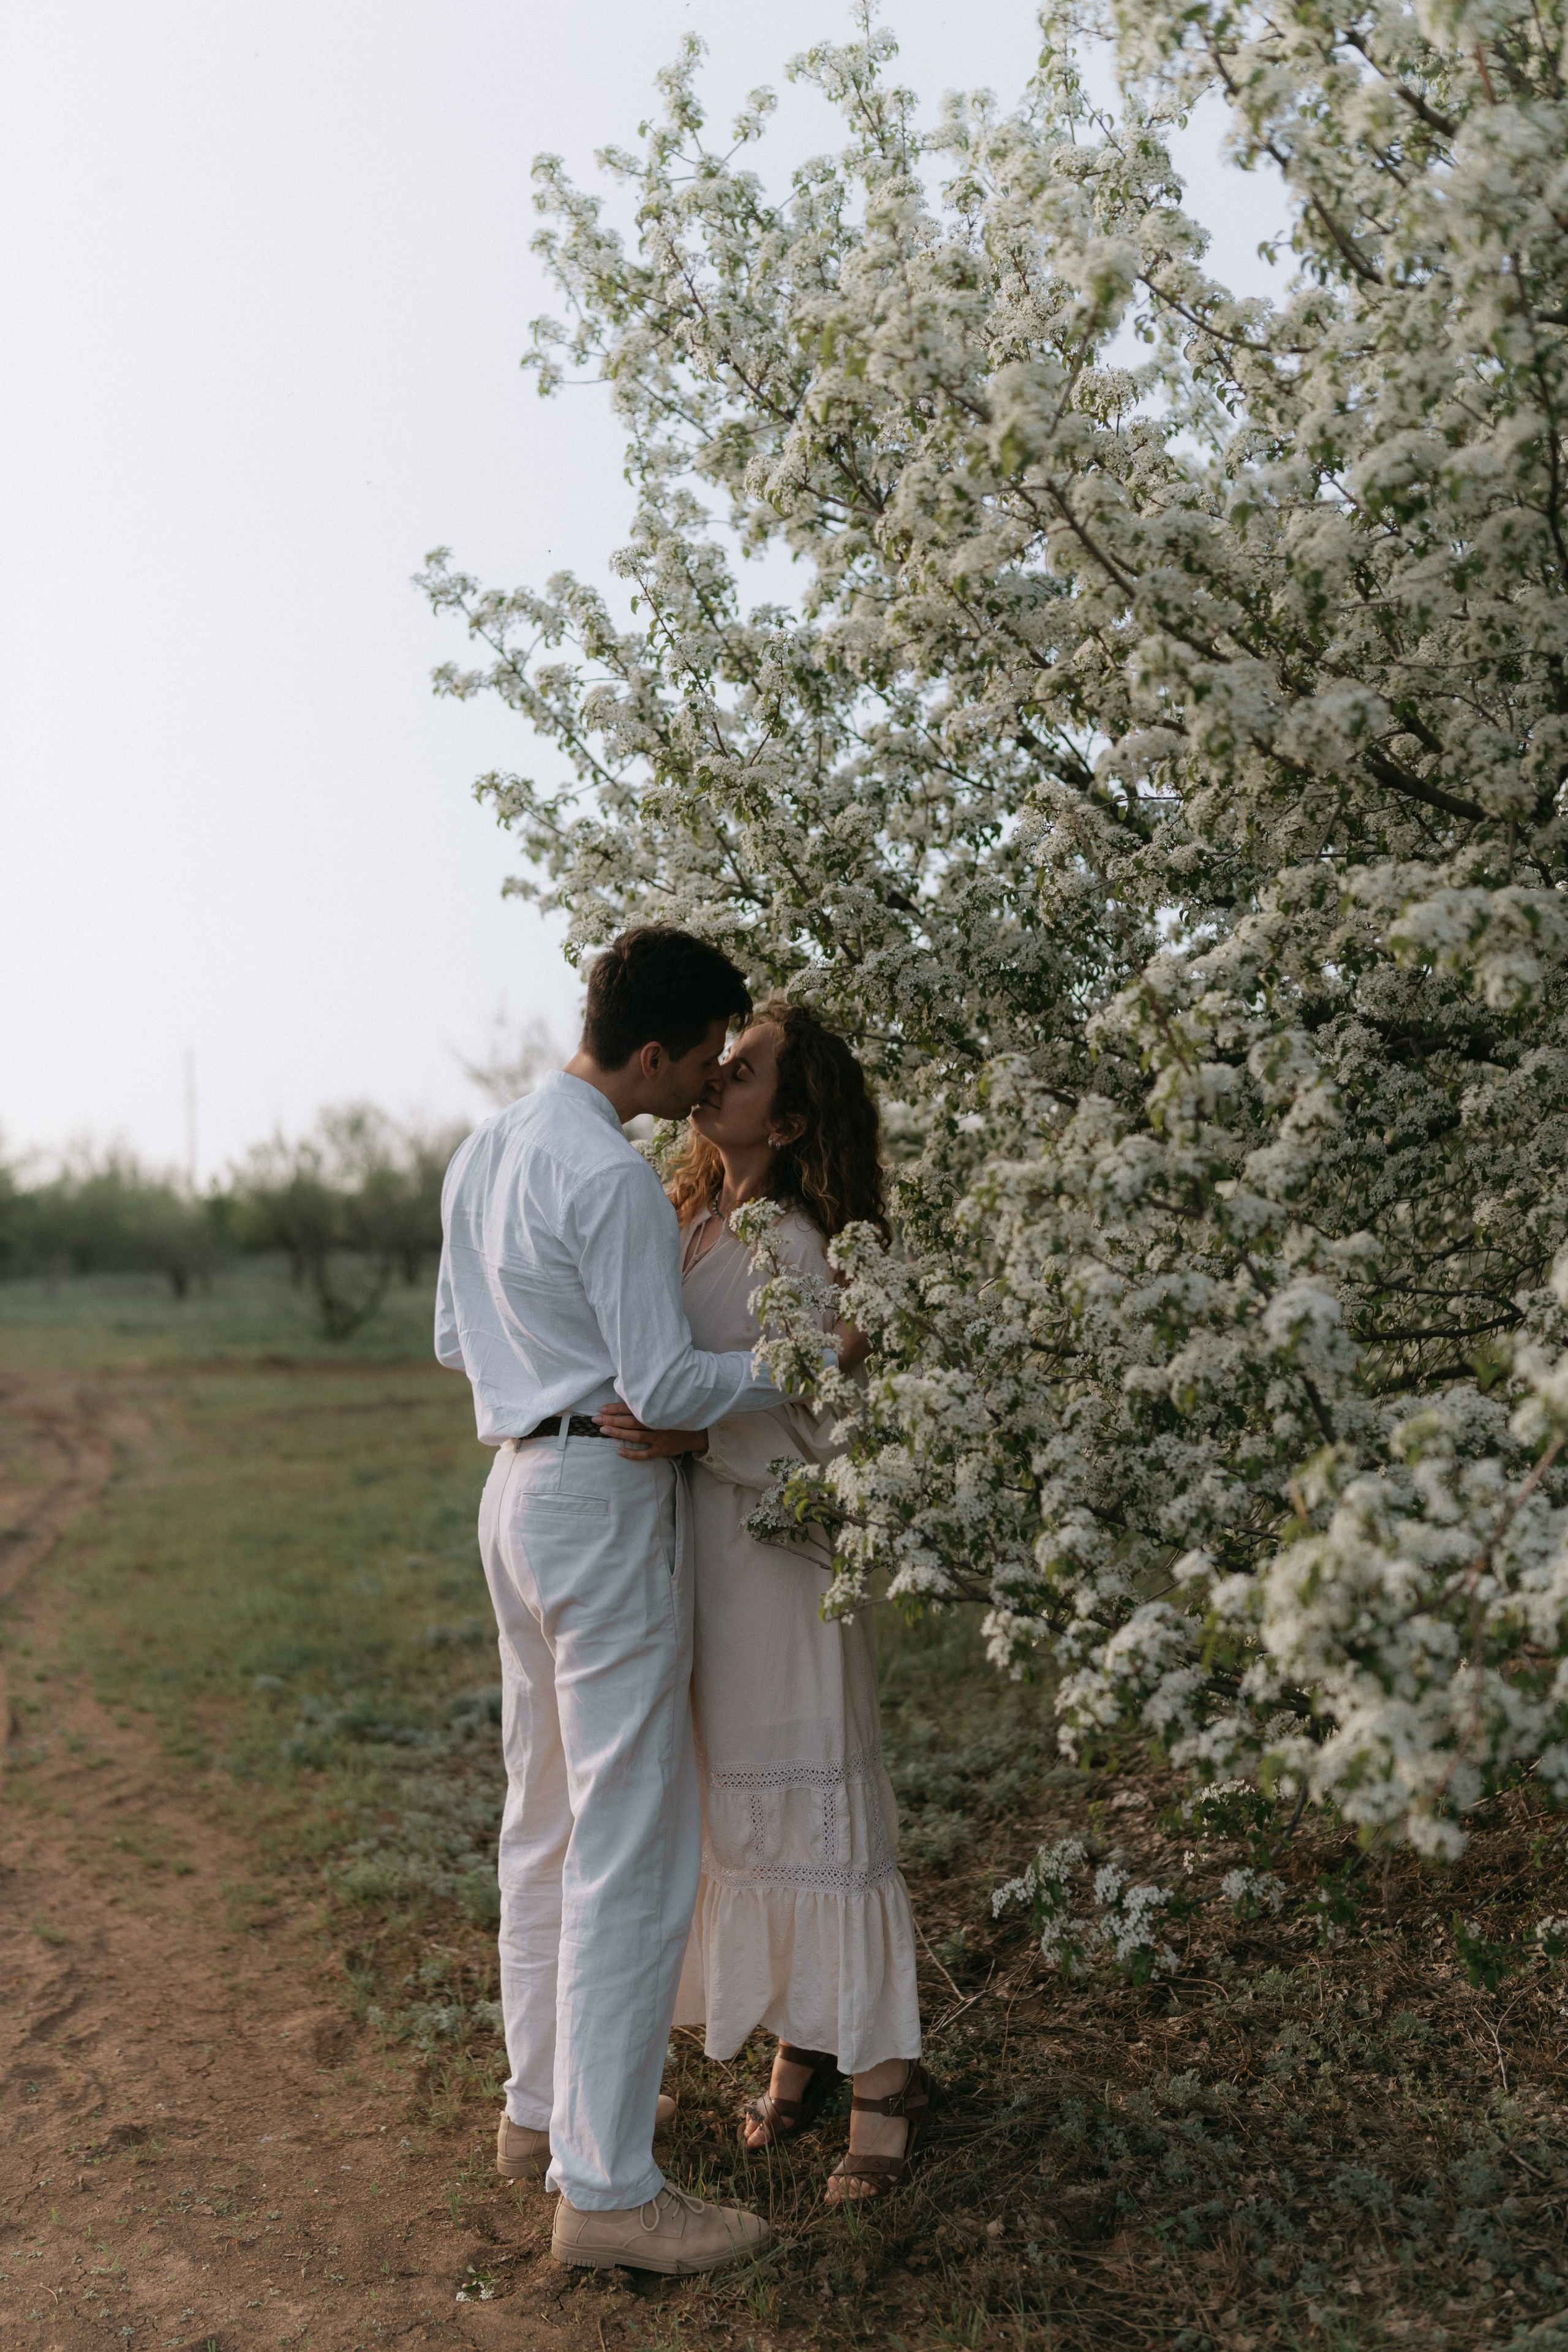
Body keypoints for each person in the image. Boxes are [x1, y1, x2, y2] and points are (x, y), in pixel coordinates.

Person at [435, 927, 805, 2277]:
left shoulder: (489, 1148)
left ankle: (539, 2118)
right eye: (707, 1049)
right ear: (653, 1050)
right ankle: (607, 2189)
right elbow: (659, 1383)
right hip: (595, 1500)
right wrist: (797, 1358)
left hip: (512, 1494)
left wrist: (550, 1364)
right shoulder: (603, 1172)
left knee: (541, 1817)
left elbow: (447, 1338)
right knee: (632, 1841)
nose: (711, 1073)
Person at [597, 1000, 929, 2202]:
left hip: (780, 1561)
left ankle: (884, 2076)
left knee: (817, 1811)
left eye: (736, 1072)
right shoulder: (688, 1220)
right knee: (737, 1813)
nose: (709, 1081)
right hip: (697, 1559)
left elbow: (827, 1440)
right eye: (715, 1061)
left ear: (787, 1118)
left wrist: (697, 1445)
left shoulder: (791, 1244)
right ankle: (803, 2037)